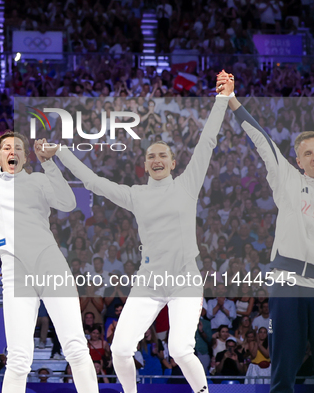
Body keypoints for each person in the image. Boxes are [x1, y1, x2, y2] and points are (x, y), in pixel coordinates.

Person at [43, 75, 235, 393]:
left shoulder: (187, 185)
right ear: (144, 165)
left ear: (174, 163)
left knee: (180, 349)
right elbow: (91, 181)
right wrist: (61, 152)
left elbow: (208, 141)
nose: (157, 160)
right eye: (151, 156)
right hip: (149, 280)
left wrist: (222, 99)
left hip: (186, 278)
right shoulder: (135, 195)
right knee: (119, 350)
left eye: (162, 155)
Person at [0, 71, 98, 393]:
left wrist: (50, 164)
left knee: (76, 347)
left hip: (50, 264)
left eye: (19, 148)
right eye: (6, 148)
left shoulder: (39, 179)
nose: (13, 151)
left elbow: (67, 203)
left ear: (26, 157)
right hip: (14, 271)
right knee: (19, 357)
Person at [217, 71, 314, 393]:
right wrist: (232, 100)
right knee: (285, 362)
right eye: (308, 153)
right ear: (298, 161)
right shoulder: (287, 178)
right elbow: (259, 136)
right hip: (287, 280)